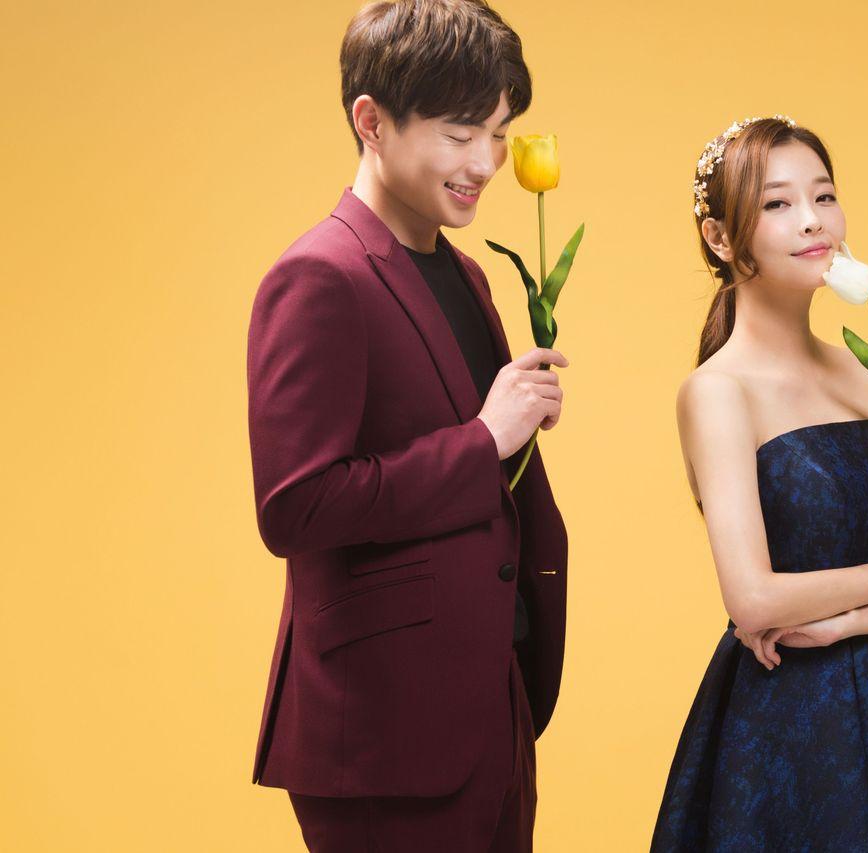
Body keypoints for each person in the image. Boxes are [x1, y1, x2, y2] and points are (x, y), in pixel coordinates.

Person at [245, 2, 568, 850]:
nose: (486, 164)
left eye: (499, 134)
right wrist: (484, 439)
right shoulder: (318, 276)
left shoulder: (467, 275)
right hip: (384, 738)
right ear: (371, 122)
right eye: (460, 134)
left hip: (487, 708)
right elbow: (294, 506)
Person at [650, 115, 868, 851]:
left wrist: (845, 624)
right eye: (778, 203)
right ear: (720, 238)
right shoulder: (718, 393)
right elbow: (752, 600)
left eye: (825, 195)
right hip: (786, 722)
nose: (813, 220)